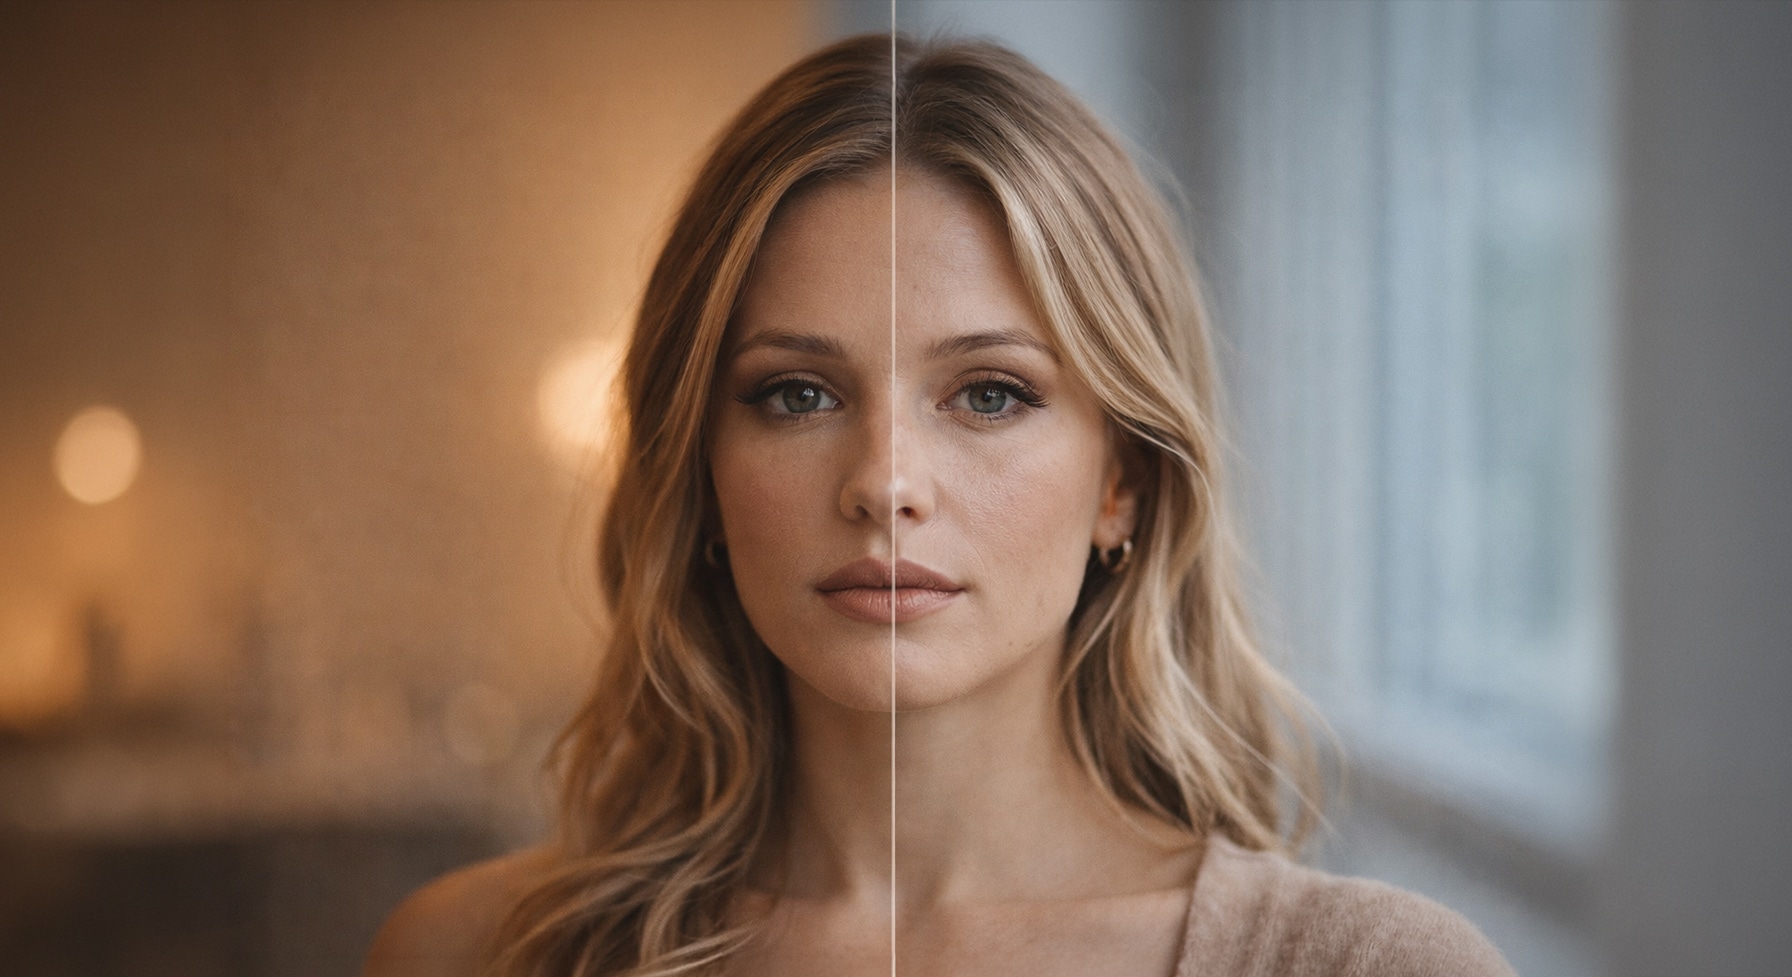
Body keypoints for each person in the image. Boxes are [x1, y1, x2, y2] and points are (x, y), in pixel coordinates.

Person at [363, 33, 1514, 977]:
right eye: (797, 393)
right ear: (698, 472)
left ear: (1125, 480)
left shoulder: (1367, 966)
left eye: (990, 393)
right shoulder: (470, 952)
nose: (884, 481)